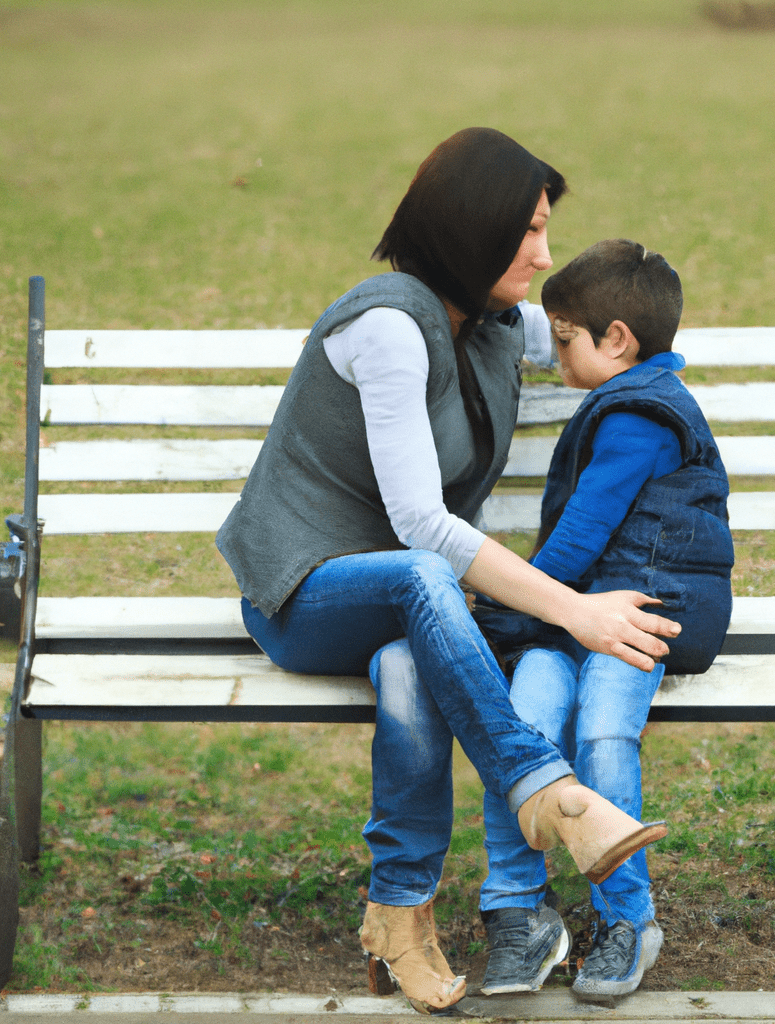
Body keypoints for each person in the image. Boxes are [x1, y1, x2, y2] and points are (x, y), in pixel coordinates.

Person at [215, 130, 680, 1014]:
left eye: (547, 233)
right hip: (306, 591)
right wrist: (576, 611)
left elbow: (614, 340)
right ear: (472, 229)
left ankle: (402, 915)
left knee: (407, 663)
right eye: (529, 234)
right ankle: (545, 790)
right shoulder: (388, 327)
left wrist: (656, 386)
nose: (544, 258)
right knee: (425, 577)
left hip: (404, 607)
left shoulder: (498, 321)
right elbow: (420, 525)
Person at [471, 239, 734, 1001]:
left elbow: (582, 535)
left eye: (563, 339)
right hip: (576, 618)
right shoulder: (621, 402)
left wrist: (506, 608)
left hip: (637, 620)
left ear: (616, 340)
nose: (554, 355)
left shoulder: (638, 419)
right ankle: (521, 910)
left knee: (601, 733)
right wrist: (538, 613)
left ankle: (629, 918)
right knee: (522, 727)